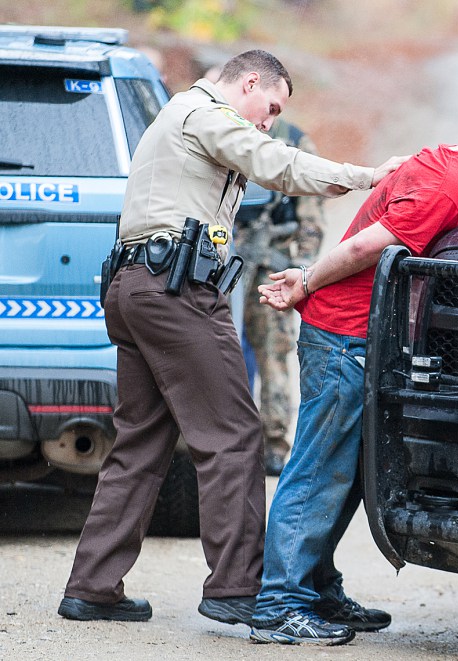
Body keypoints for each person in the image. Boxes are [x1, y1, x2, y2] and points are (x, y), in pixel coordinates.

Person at [57, 49, 407, 626]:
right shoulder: (206, 114)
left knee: (140, 444)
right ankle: (238, 588)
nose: (269, 121)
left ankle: (92, 587)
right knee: (234, 434)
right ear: (248, 83)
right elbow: (276, 164)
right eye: (270, 107)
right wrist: (370, 177)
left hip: (135, 287)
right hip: (176, 292)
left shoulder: (178, 116)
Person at [250, 102, 458, 645]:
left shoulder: (443, 167)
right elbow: (369, 245)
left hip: (358, 340)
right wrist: (305, 278)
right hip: (344, 338)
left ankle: (318, 590)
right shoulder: (449, 184)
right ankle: (278, 604)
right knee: (318, 470)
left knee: (343, 476)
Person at [235, 117, 325, 476]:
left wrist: (303, 268)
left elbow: (311, 213)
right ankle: (230, 442)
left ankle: (273, 444)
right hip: (223, 263)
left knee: (273, 355)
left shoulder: (292, 139)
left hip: (269, 266)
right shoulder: (227, 132)